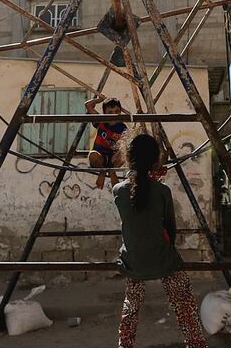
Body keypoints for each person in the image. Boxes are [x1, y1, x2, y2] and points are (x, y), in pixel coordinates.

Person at [113, 133, 206, 348]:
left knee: (131, 306)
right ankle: (196, 344)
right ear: (156, 161)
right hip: (163, 260)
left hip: (133, 262)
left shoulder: (118, 191)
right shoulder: (163, 191)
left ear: (129, 158)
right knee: (185, 304)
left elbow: (133, 214)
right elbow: (170, 231)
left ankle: (124, 344)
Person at [86, 96, 127, 189]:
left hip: (113, 158)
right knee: (92, 155)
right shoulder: (101, 121)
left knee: (124, 151)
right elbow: (88, 105)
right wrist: (99, 100)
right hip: (100, 157)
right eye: (110, 112)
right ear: (104, 113)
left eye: (117, 111)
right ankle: (103, 171)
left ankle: (112, 172)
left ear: (120, 111)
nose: (114, 115)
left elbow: (124, 146)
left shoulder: (122, 127)